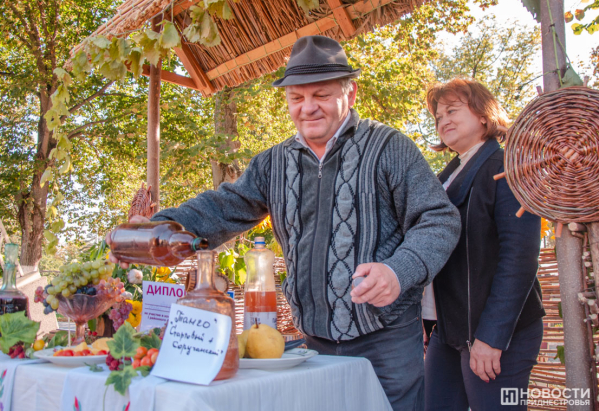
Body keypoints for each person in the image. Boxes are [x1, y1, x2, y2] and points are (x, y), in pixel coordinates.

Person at [109, 36, 461, 410]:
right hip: (314, 345)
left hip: (386, 342)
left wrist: (398, 272)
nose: (307, 107)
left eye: (321, 95)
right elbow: (220, 209)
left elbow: (439, 219)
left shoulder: (390, 147)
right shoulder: (272, 164)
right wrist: (157, 225)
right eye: (296, 98)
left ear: (350, 93)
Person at [423, 78, 544, 411]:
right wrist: (427, 319)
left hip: (496, 333)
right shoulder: (445, 179)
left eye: (452, 110)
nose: (443, 120)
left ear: (482, 114)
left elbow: (519, 257)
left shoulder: (507, 167)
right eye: (438, 116)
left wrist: (492, 337)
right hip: (449, 330)